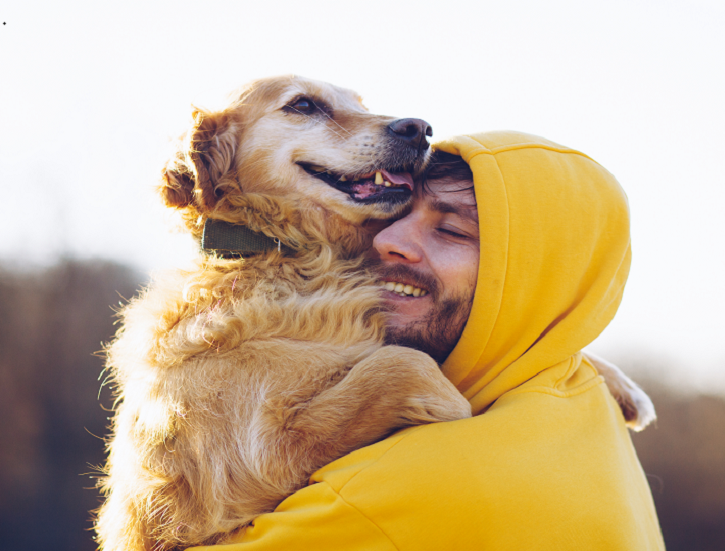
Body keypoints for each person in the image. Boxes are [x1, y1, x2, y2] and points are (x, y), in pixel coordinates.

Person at [194, 131, 666, 550]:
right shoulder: (580, 397)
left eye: (451, 230)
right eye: (394, 211)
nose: (386, 240)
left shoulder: (413, 487)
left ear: (532, 280)